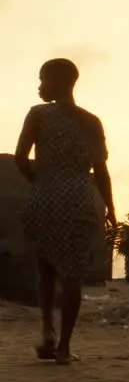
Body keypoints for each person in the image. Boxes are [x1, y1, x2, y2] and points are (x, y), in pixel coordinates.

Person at [13, 58, 116, 365]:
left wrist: (39, 180)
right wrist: (110, 205)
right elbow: (101, 170)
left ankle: (47, 330)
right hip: (81, 199)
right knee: (72, 275)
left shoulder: (38, 115)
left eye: (44, 80)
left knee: (45, 268)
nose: (40, 86)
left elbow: (20, 157)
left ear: (61, 82)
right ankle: (64, 348)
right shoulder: (91, 121)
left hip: (46, 197)